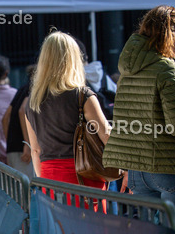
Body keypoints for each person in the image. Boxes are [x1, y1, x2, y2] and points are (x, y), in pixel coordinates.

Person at [102, 6, 175, 233]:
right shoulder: (168, 69)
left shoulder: (128, 71)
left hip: (140, 172)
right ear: (166, 34)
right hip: (174, 167)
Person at [23, 30, 112, 190]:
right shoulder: (82, 95)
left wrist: (44, 184)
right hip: (84, 175)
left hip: (49, 177)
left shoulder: (32, 101)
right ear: (73, 59)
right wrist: (126, 169)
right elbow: (106, 135)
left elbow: (35, 150)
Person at [2, 65, 36, 178]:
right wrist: (27, 143)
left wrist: (10, 141)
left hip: (13, 148)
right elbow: (22, 110)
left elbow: (5, 118)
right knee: (28, 191)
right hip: (24, 150)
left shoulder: (22, 89)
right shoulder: (33, 89)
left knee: (18, 191)